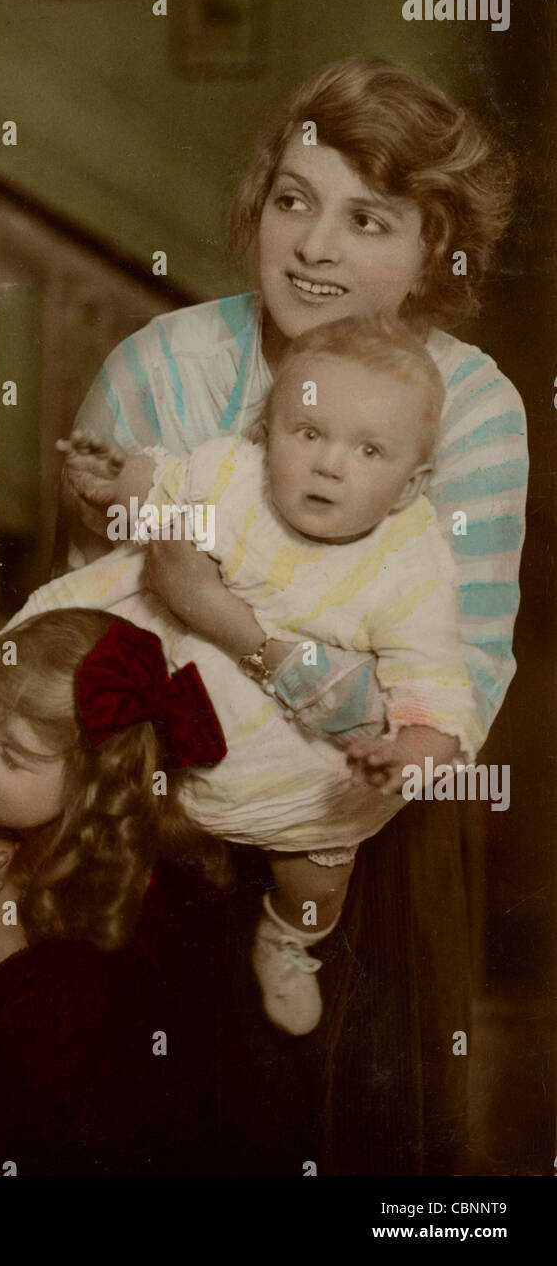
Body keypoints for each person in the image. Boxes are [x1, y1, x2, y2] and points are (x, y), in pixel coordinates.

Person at [44, 58, 528, 1172]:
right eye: (292, 199)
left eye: (368, 219)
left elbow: (450, 710)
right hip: (149, 827)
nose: (313, 246)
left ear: (428, 250)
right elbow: (91, 645)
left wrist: (224, 619)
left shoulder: (472, 408)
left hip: (352, 844)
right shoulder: (157, 367)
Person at [47, 314, 482, 1036]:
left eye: (368, 449)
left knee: (317, 869)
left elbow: (436, 697)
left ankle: (288, 938)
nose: (328, 464)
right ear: (265, 430)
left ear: (412, 484)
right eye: (306, 432)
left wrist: (405, 754)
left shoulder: (411, 569)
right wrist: (114, 480)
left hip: (292, 749)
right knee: (83, 762)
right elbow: (160, 494)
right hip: (173, 678)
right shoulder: (231, 474)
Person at [0, 607, 233, 1176]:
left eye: (11, 755)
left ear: (92, 779)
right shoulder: (24, 835)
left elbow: (47, 1079)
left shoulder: (153, 907)